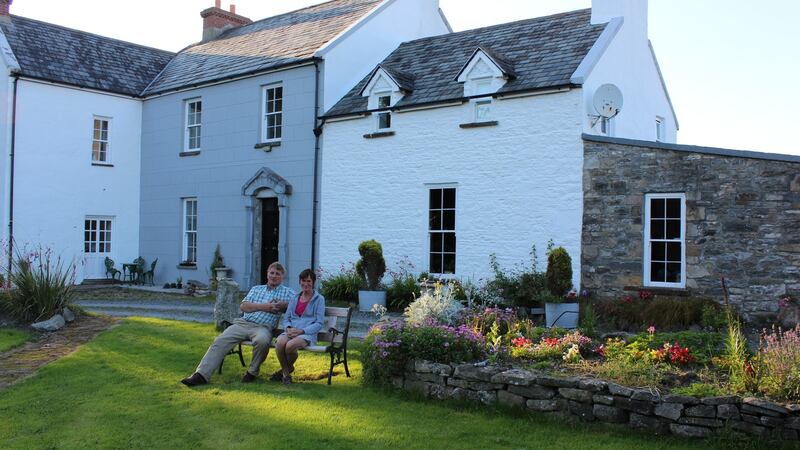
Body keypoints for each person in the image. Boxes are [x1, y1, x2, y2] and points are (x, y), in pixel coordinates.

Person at [181, 262, 295, 386]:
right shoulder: (256, 289)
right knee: (220, 340)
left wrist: (284, 305)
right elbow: (244, 306)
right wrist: (265, 307)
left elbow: (300, 305)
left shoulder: (288, 293)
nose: (273, 276)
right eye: (271, 273)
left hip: (263, 327)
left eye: (277, 274)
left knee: (262, 341)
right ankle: (201, 375)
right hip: (243, 323)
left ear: (282, 277)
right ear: (267, 274)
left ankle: (252, 372)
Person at [270, 268, 326, 385]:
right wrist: (288, 328)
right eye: (303, 281)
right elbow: (286, 319)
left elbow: (319, 323)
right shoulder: (294, 298)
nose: (306, 284)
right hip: (291, 331)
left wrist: (301, 331)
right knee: (280, 343)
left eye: (309, 281)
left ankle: (285, 370)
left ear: (313, 283)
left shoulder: (319, 299)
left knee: (289, 346)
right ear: (300, 282)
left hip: (306, 333)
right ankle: (286, 374)